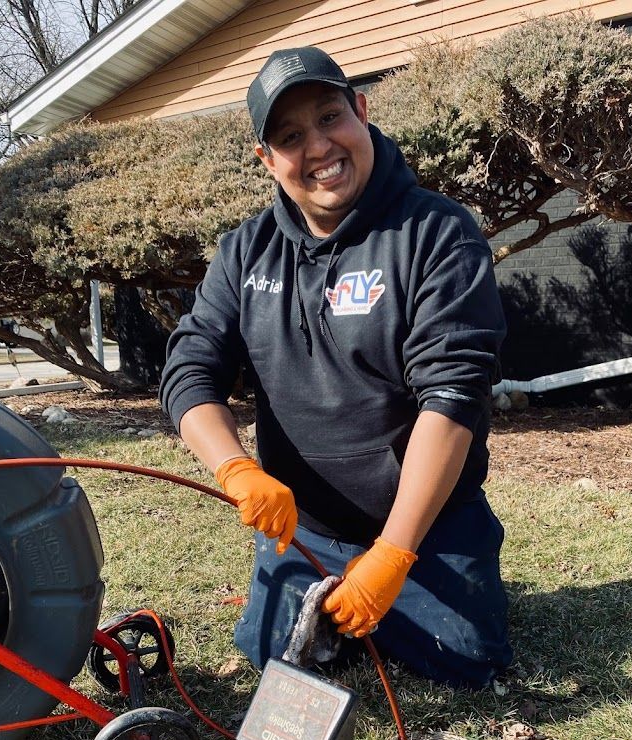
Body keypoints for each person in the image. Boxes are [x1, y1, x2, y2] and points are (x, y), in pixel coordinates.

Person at [160, 46, 512, 688]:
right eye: (291, 136)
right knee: (271, 659)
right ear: (267, 160)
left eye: (329, 117)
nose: (318, 146)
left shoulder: (439, 233)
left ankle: (434, 584)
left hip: (427, 526)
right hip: (307, 532)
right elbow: (190, 367)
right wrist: (235, 468)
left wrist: (395, 552)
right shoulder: (244, 252)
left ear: (362, 111)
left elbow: (453, 396)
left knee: (462, 666)